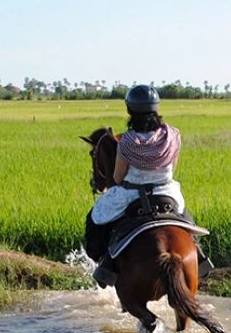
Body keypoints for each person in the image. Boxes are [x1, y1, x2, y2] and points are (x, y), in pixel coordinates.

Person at [85, 85, 209, 286]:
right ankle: (200, 257)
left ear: (129, 110)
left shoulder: (127, 142)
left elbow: (117, 178)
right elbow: (172, 168)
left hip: (131, 194)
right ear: (156, 108)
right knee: (185, 220)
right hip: (166, 191)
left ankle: (105, 264)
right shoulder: (172, 136)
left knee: (94, 218)